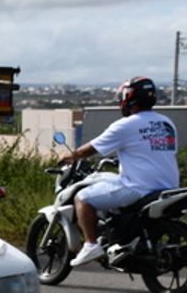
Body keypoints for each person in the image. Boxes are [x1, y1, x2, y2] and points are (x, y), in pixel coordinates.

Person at [59, 76, 178, 267]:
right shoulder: (166, 123)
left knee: (83, 198)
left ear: (128, 97)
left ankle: (90, 244)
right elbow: (150, 152)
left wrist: (71, 155)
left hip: (138, 188)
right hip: (168, 186)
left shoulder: (126, 125)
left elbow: (91, 149)